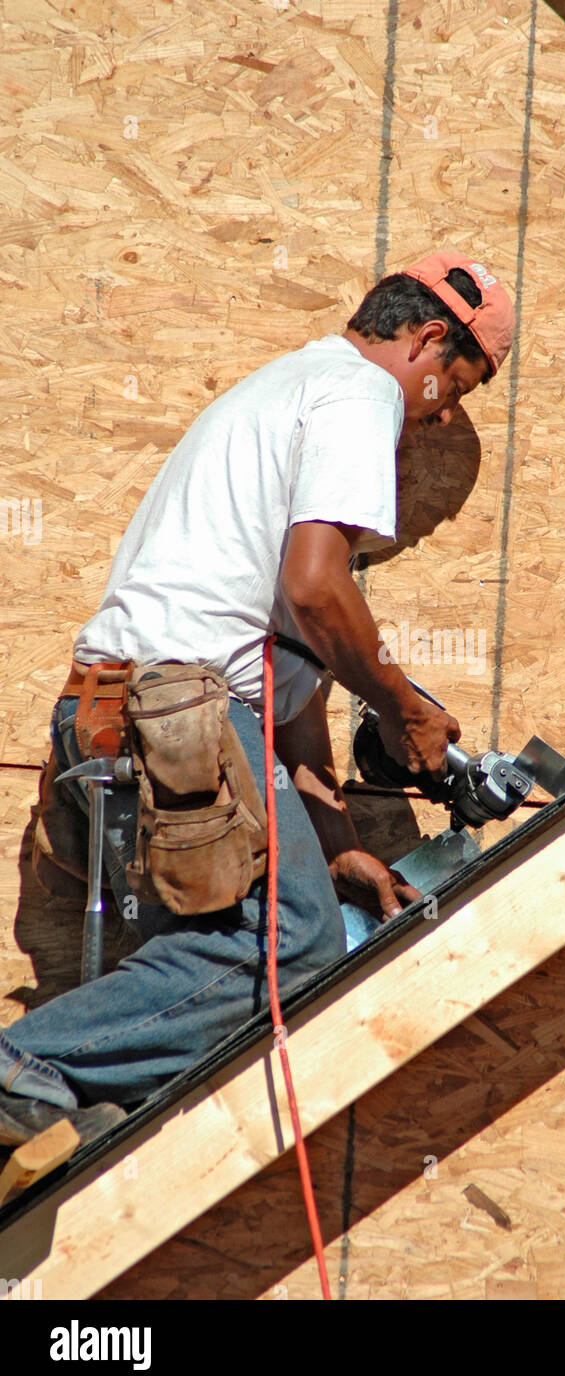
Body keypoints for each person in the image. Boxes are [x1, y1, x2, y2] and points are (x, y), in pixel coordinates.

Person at [0, 247, 515, 1150]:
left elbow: (292, 690)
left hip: (113, 715)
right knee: (297, 940)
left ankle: (47, 1115)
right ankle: (22, 1068)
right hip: (183, 712)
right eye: (455, 389)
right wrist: (405, 707)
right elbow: (318, 593)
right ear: (429, 341)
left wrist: (341, 845)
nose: (439, 418)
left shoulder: (284, 393)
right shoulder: (360, 394)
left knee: (199, 957)